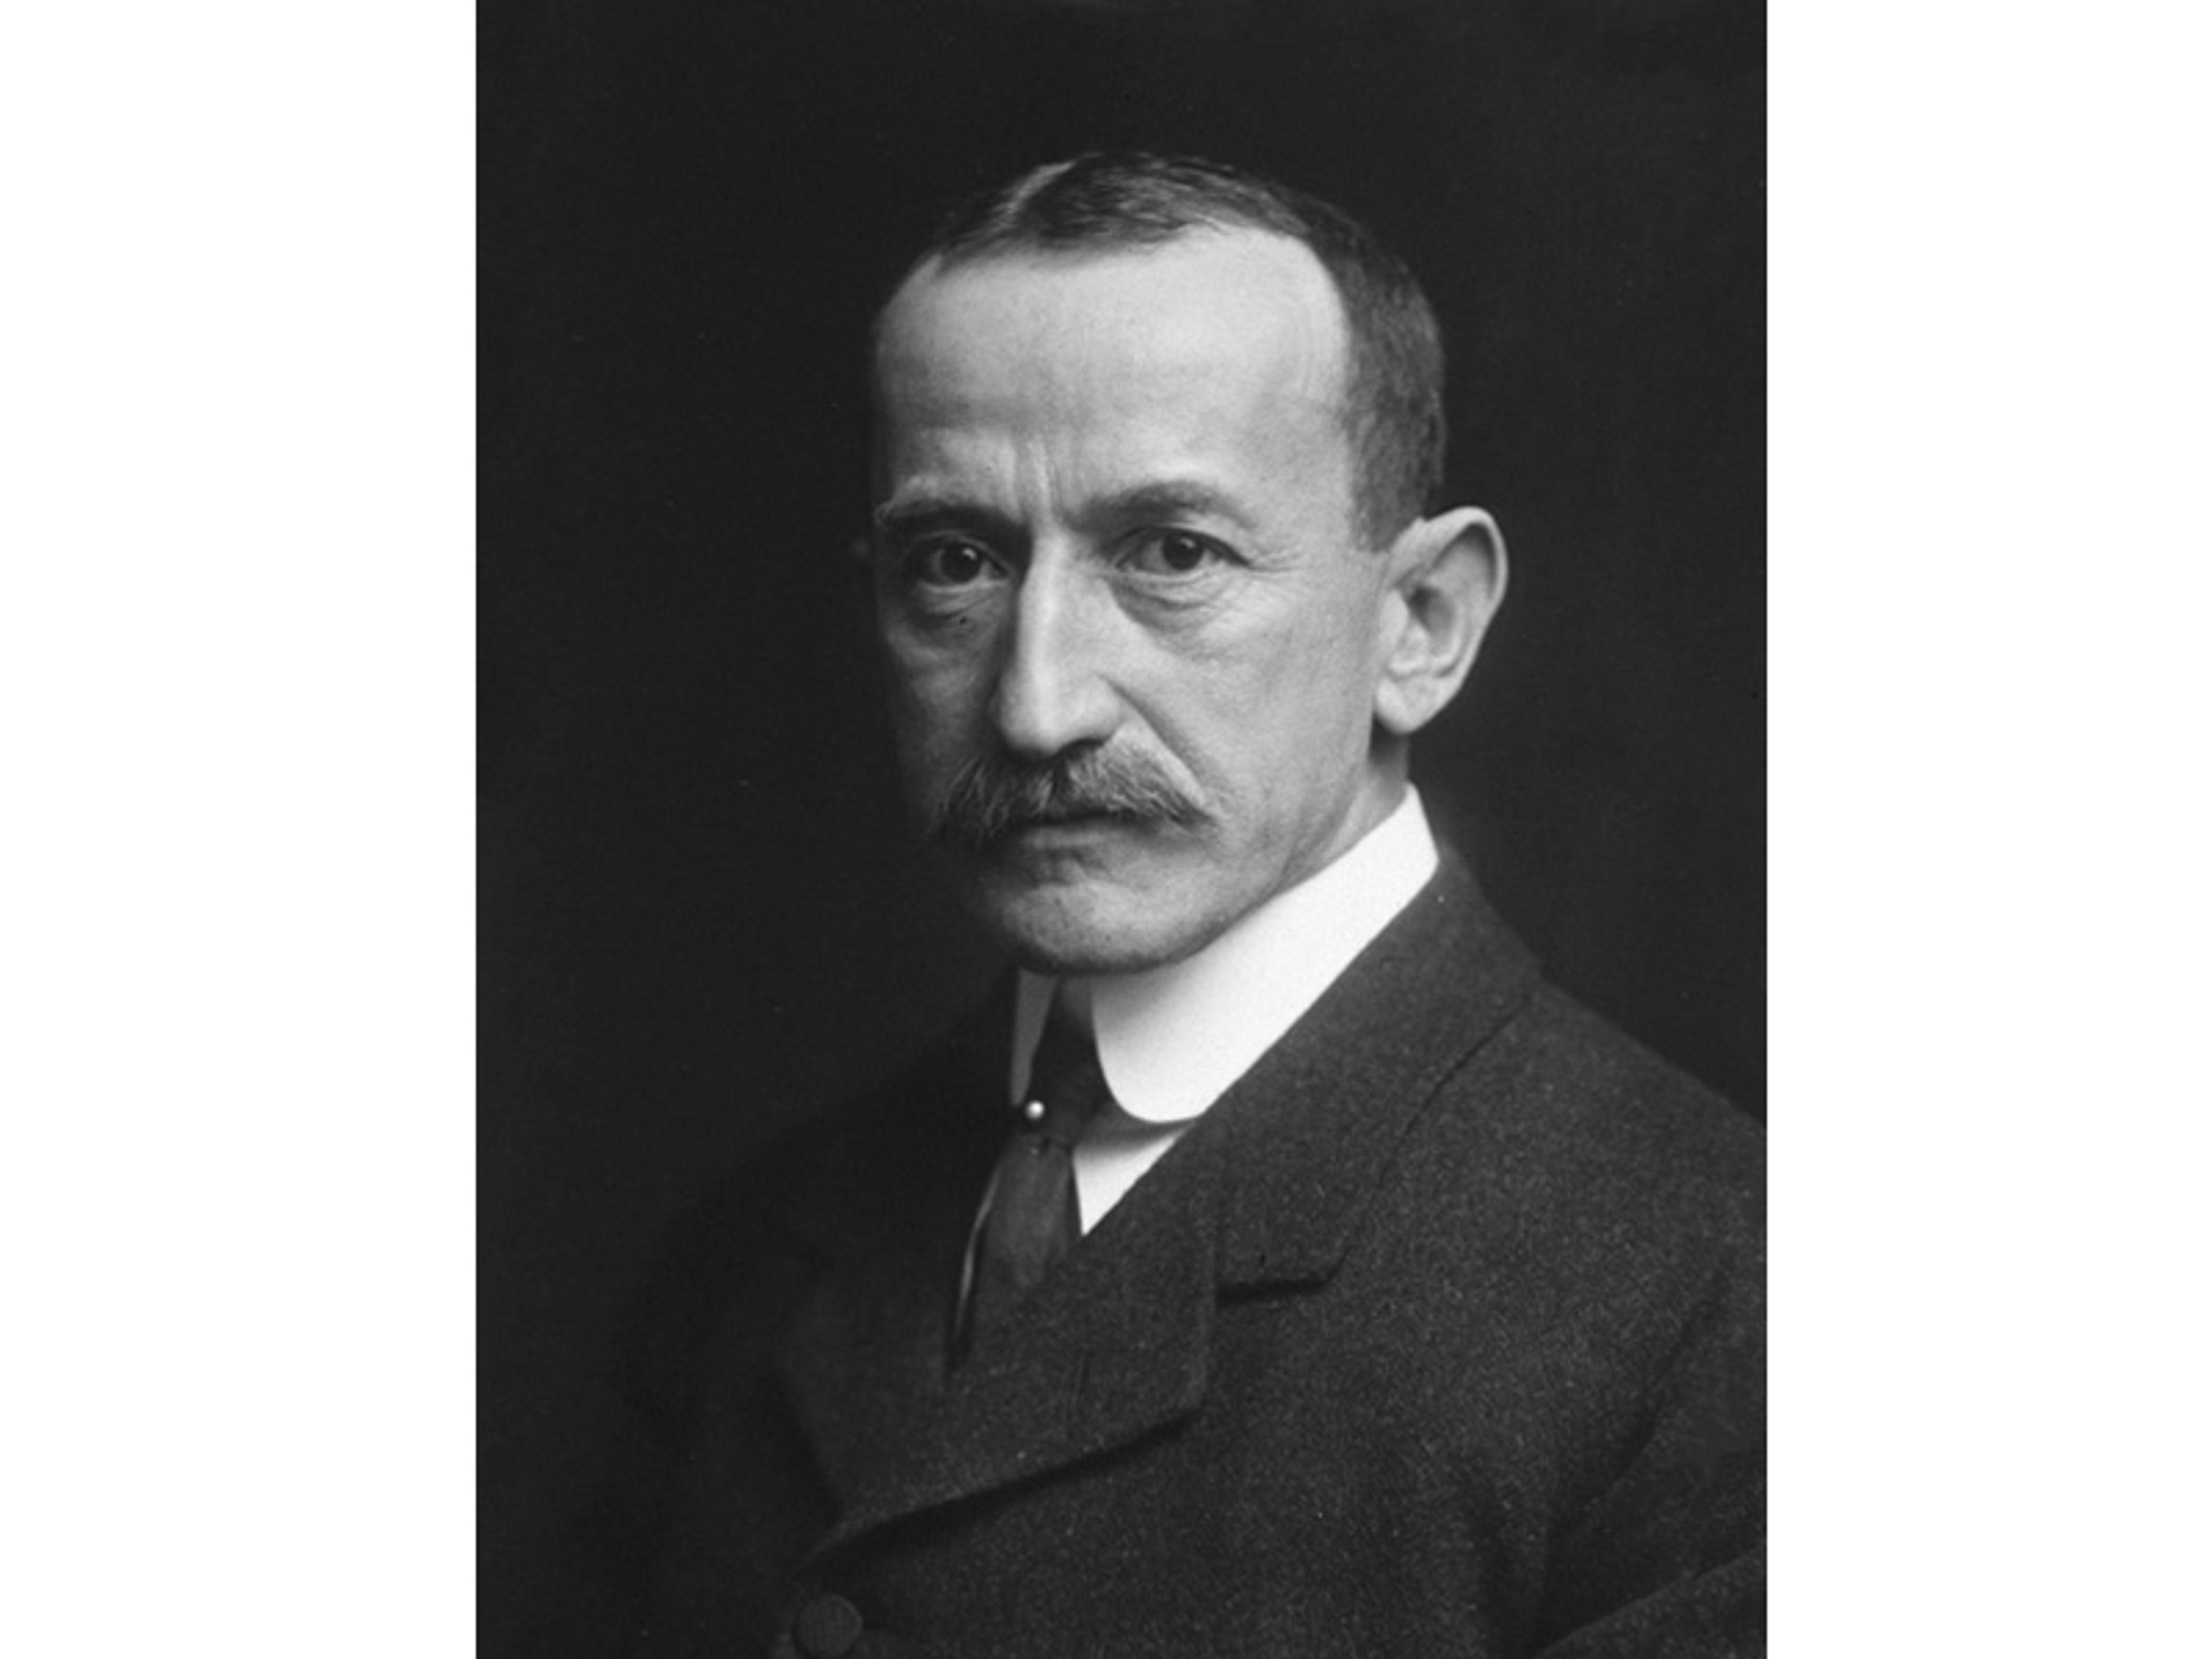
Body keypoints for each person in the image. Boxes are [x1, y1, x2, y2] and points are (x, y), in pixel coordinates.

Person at [590, 151, 1763, 1658]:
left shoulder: (1731, 1301)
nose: (1036, 705)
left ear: (1423, 623)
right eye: (956, 563)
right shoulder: (742, 1258)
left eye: (1171, 556)